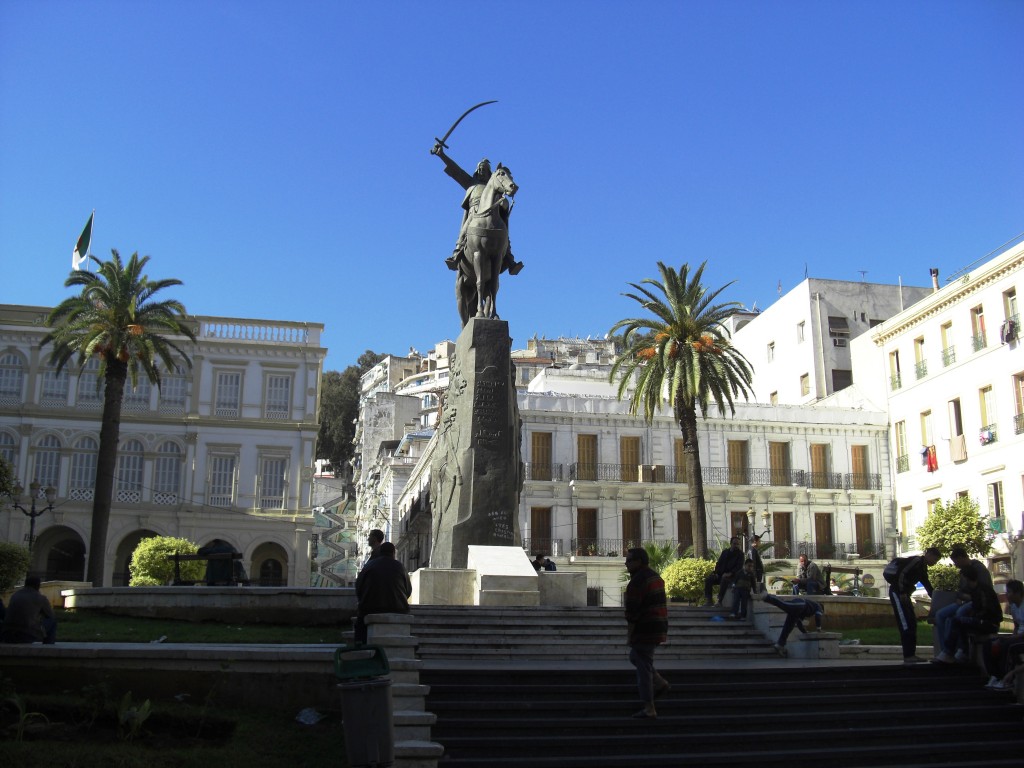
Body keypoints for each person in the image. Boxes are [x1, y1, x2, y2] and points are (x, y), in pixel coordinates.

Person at [624, 548, 669, 719]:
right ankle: (660, 682)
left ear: (638, 561)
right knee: (636, 657)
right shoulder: (655, 576)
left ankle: (649, 707)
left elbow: (632, 613)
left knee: (642, 667)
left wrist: (630, 636)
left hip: (645, 628)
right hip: (659, 625)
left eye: (629, 561)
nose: (626, 564)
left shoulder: (637, 581)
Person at [933, 544, 993, 663]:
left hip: (975, 602)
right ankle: (945, 650)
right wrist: (959, 597)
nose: (956, 565)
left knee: (959, 614)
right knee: (940, 615)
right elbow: (960, 590)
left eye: (956, 562)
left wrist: (969, 597)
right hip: (964, 601)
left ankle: (961, 649)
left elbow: (984, 592)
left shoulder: (979, 570)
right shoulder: (963, 572)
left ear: (961, 558)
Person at [884, 547, 941, 665]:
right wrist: (902, 592)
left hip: (904, 594)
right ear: (928, 554)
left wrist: (935, 597)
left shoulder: (922, 567)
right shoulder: (916, 561)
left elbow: (926, 583)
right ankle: (908, 655)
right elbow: (901, 574)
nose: (934, 563)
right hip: (898, 593)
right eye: (934, 560)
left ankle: (911, 654)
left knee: (911, 623)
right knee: (905, 623)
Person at [935, 569, 1002, 665]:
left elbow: (987, 610)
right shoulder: (974, 590)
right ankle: (960, 650)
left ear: (966, 579)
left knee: (957, 621)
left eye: (962, 579)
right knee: (954, 620)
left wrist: (974, 617)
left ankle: (950, 652)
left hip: (989, 623)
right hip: (981, 620)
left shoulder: (983, 590)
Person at [354, 542, 411, 644]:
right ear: (393, 553)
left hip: (371, 607)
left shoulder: (369, 566)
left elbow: (358, 586)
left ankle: (360, 644)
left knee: (360, 623)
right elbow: (408, 590)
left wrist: (363, 600)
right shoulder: (400, 567)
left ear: (380, 552)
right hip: (398, 608)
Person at [984, 579, 1024, 690]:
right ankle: (995, 675)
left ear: (1018, 593)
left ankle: (1006, 679)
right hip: (1018, 636)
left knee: (1008, 645)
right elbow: (1017, 626)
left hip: (1021, 639)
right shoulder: (1014, 607)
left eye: (1009, 592)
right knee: (989, 643)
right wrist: (1007, 636)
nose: (1007, 595)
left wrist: (1012, 638)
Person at [759, 592, 824, 656]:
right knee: (784, 604)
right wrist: (818, 628)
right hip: (801, 604)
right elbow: (818, 616)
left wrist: (804, 632)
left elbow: (799, 622)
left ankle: (780, 645)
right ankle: (768, 597)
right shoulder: (819, 607)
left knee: (788, 627)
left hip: (798, 611)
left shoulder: (810, 609)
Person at [0, 576, 56, 644]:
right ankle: (48, 646)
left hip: (7, 634)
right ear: (38, 586)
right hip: (26, 635)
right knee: (52, 621)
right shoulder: (40, 598)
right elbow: (50, 615)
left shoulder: (15, 595)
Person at [703, 537, 744, 606]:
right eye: (734, 544)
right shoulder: (725, 552)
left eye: (738, 544)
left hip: (732, 577)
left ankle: (720, 600)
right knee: (709, 579)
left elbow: (739, 567)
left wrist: (730, 574)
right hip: (721, 574)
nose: (736, 546)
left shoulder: (740, 554)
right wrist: (716, 573)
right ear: (731, 544)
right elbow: (719, 563)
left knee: (724, 579)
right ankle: (709, 600)